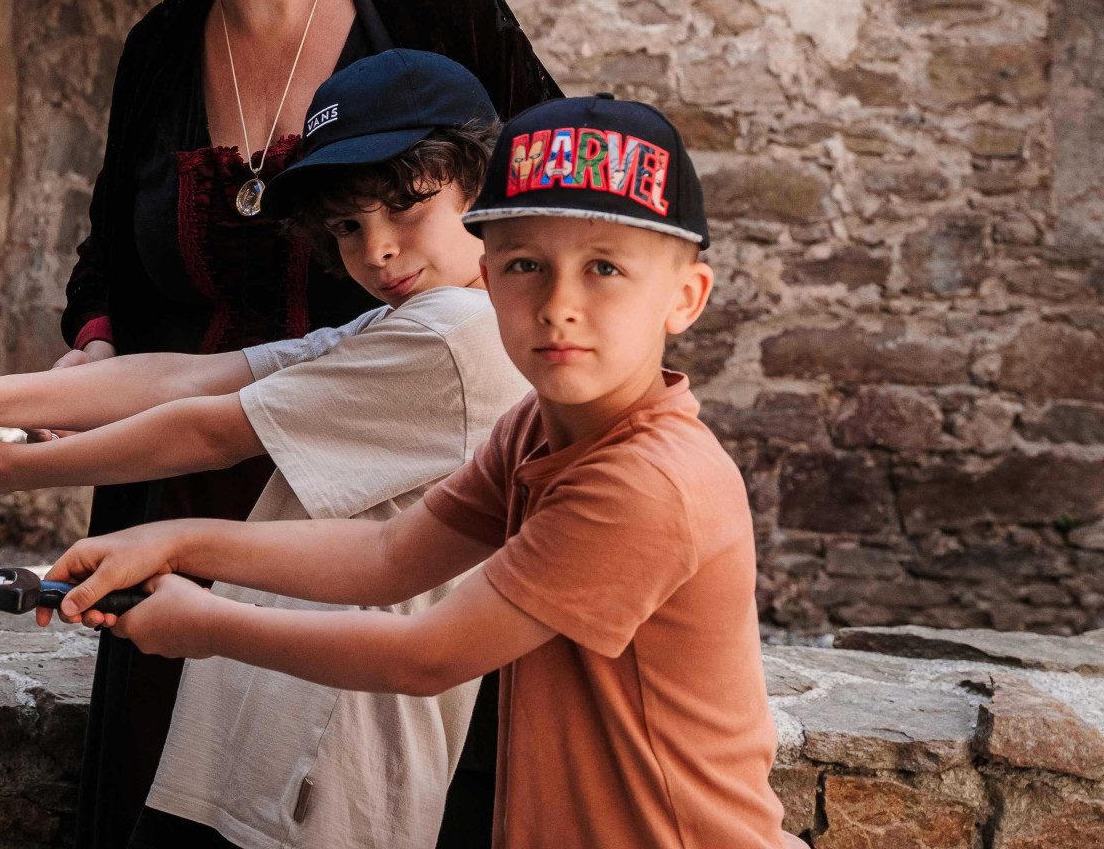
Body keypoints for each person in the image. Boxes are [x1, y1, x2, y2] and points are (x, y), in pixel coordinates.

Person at [62, 0, 560, 846]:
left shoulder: (442, 11)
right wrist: (84, 353)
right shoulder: (159, 53)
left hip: (392, 503)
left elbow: (549, 206)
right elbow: (108, 262)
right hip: (177, 479)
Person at [44, 96, 791, 849]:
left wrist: (206, 624)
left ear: (685, 298)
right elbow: (387, 557)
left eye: (605, 268)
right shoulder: (538, 429)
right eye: (527, 265)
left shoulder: (643, 481)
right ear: (488, 277)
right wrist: (171, 544)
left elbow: (427, 653)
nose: (559, 306)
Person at [0, 50, 531, 849]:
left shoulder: (459, 335)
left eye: (405, 209)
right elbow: (188, 380)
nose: (377, 250)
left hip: (329, 752)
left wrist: (3, 467)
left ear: (482, 189)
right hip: (278, 721)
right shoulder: (408, 318)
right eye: (349, 226)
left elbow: (208, 429)